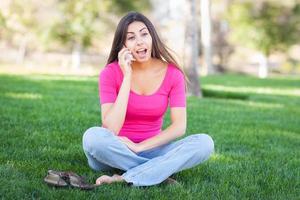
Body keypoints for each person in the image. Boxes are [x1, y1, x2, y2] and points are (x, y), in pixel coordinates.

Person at [82, 11, 214, 187]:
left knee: (205, 143)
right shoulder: (110, 73)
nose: (139, 41)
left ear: (152, 37)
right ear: (123, 44)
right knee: (92, 137)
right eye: (131, 37)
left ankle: (127, 177)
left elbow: (179, 127)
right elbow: (110, 128)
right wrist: (127, 76)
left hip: (153, 150)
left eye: (144, 34)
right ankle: (157, 173)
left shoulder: (173, 74)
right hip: (114, 151)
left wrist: (139, 147)